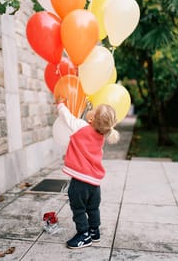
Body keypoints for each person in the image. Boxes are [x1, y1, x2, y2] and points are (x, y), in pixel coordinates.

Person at [56, 101, 119, 249]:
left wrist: (60, 104)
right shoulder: (101, 136)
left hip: (80, 181)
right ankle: (94, 231)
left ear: (92, 119)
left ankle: (83, 234)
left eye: (94, 111)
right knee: (92, 208)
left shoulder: (81, 127)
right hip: (95, 183)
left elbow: (68, 118)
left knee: (78, 208)